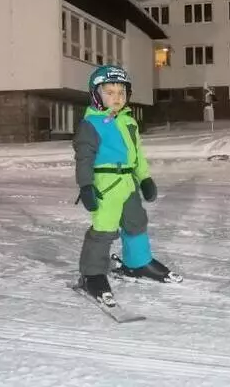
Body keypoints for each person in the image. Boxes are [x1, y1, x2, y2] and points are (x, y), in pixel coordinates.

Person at [73, 65, 182, 305]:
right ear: (96, 94)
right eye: (109, 92)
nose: (116, 98)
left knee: (136, 222)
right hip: (105, 184)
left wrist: (144, 178)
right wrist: (86, 186)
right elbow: (83, 159)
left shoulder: (128, 121)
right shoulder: (91, 124)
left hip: (128, 182)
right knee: (104, 229)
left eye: (121, 92)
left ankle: (138, 262)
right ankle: (92, 274)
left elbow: (137, 154)